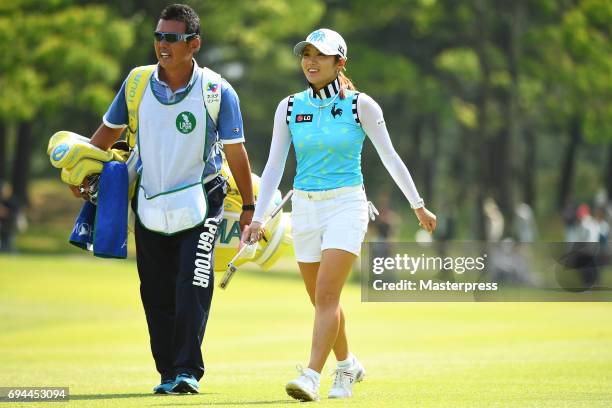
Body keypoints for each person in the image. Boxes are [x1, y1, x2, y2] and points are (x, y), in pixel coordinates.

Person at [71, 4, 255, 394]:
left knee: (192, 284)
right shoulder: (136, 83)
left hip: (204, 199)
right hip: (150, 199)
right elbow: (104, 137)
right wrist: (81, 170)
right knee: (154, 292)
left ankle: (187, 370)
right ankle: (167, 373)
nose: (162, 45)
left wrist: (250, 209)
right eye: (158, 36)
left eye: (171, 38)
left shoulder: (217, 90)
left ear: (194, 44)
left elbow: (237, 153)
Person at [246, 28, 436, 401]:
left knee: (327, 294)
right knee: (321, 299)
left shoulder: (361, 105)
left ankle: (313, 376)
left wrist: (417, 204)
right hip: (304, 208)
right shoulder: (288, 107)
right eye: (306, 55)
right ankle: (348, 363)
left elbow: (390, 157)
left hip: (347, 205)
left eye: (321, 55)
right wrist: (256, 216)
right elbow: (273, 165)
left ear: (339, 62)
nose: (311, 62)